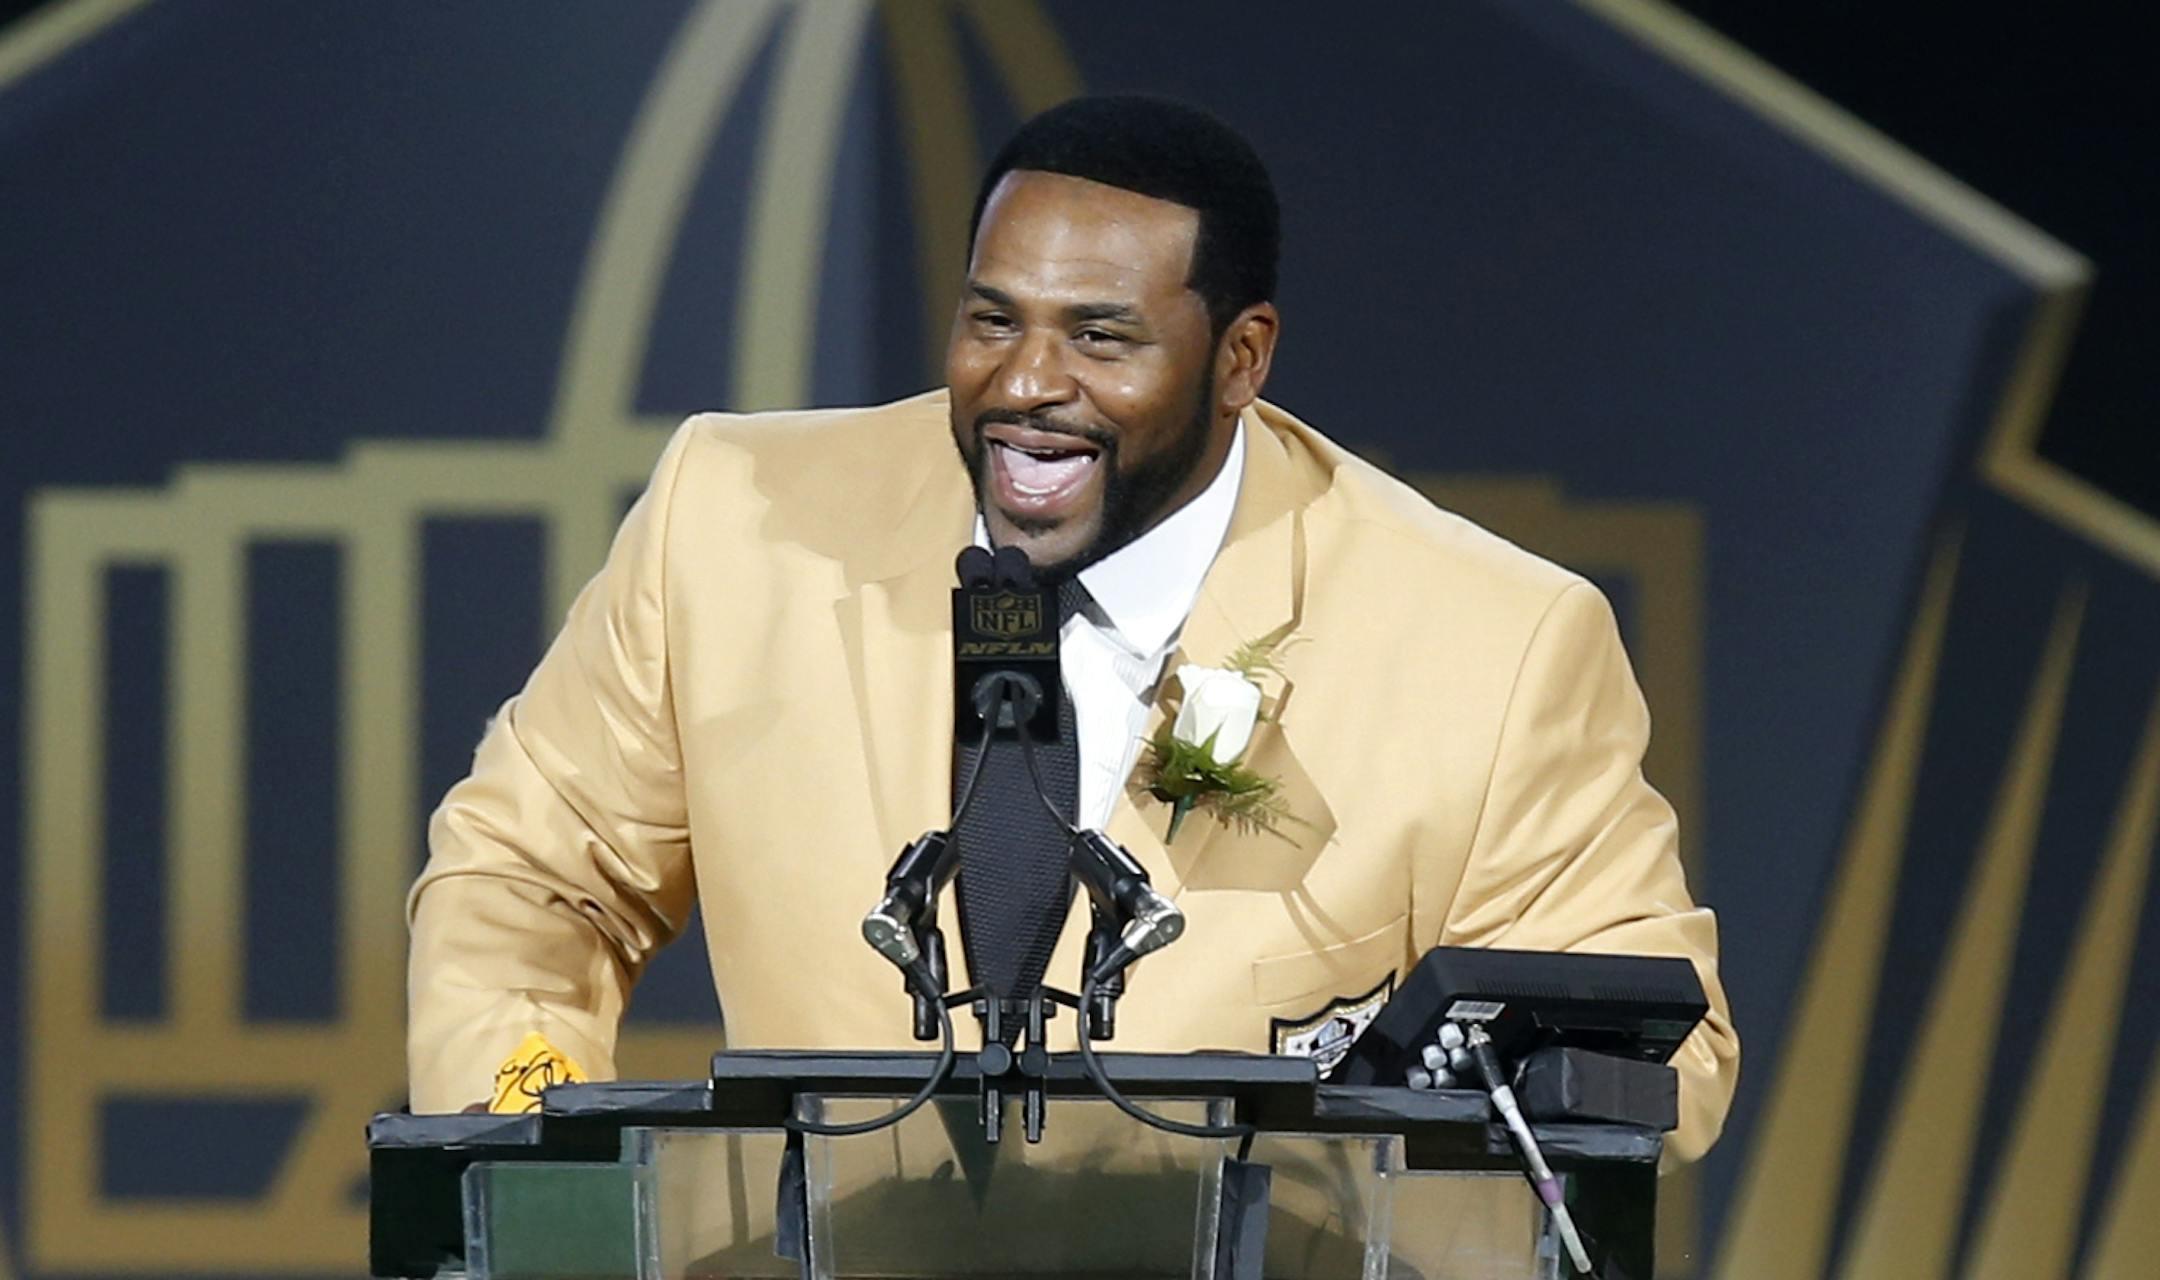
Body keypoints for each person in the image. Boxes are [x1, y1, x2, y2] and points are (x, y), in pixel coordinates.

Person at [407, 95, 1739, 1161]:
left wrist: (1386, 1142)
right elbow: (529, 876)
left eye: (1102, 339)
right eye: (993, 320)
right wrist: (542, 1153)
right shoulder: (735, 522)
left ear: (1242, 358)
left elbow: (1658, 1046)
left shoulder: (1488, 644)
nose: (1027, 385)